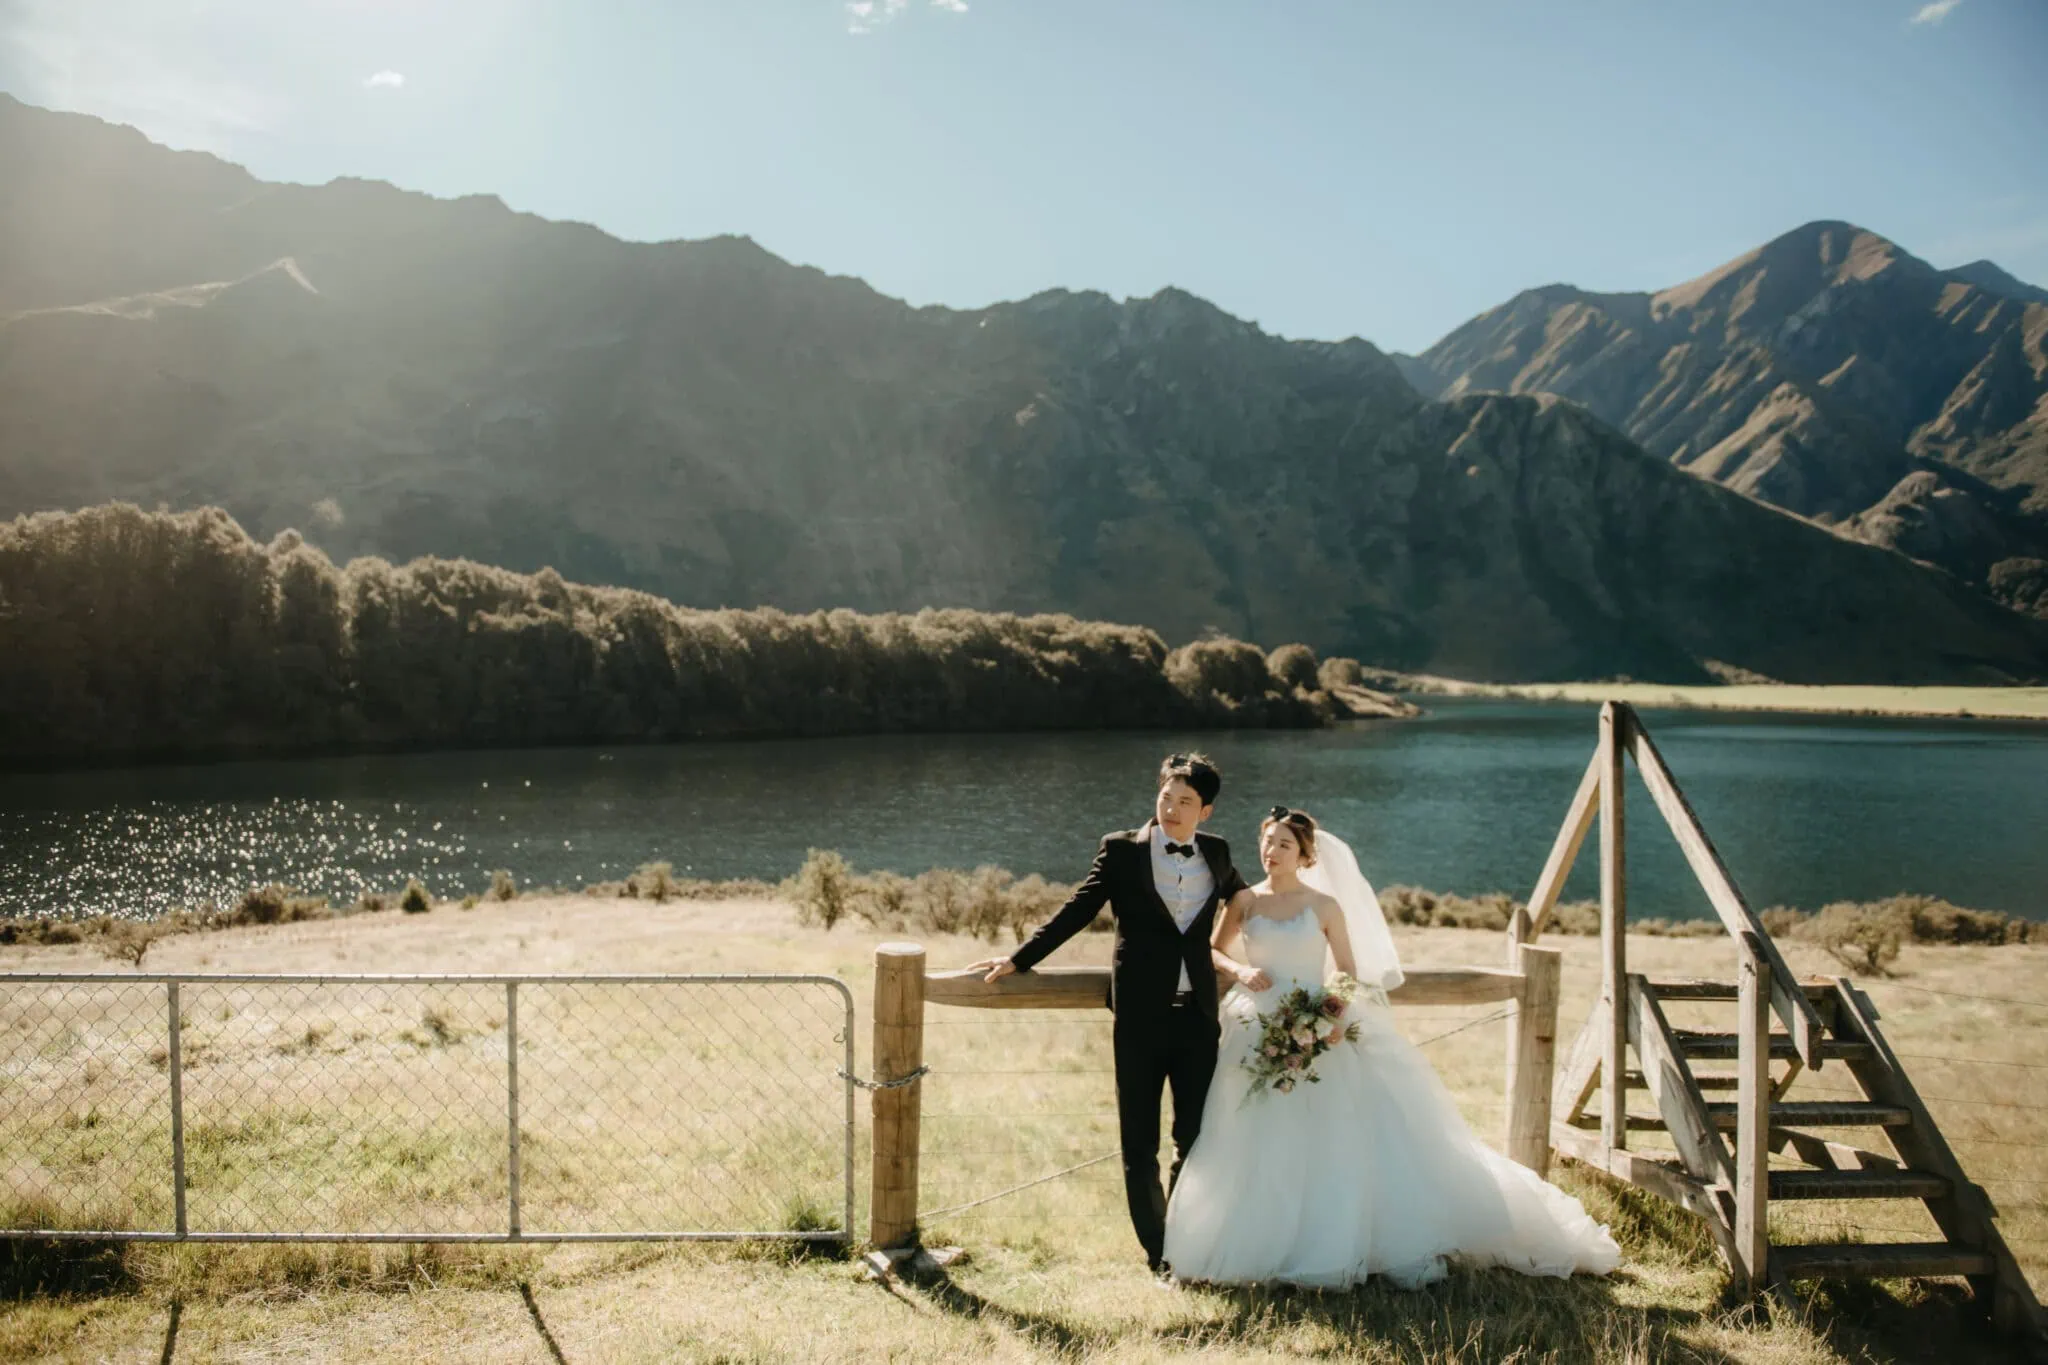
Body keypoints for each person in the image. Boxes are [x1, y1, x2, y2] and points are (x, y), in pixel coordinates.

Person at [1160, 806, 1621, 1288]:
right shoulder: (1244, 901)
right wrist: (1239, 972)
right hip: (1254, 1027)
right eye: (1267, 841)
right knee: (1248, 1131)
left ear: (1304, 855)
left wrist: (1327, 1018)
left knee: (1325, 1135)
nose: (1271, 852)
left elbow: (1345, 972)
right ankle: (1249, 1241)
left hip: (1315, 1028)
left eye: (1284, 845)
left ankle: (1326, 1239)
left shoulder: (1323, 906)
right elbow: (1213, 949)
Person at [973, 752, 1249, 1277]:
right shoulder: (1121, 850)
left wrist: (1286, 943)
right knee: (1138, 1141)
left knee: (1195, 1137)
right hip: (1141, 1021)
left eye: (1185, 802)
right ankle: (1160, 1255)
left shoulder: (1217, 852)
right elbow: (1079, 907)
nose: (1171, 808)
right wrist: (1019, 957)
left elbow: (1247, 898)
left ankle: (1190, 1242)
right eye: (1166, 797)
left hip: (1197, 1021)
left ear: (1205, 812)